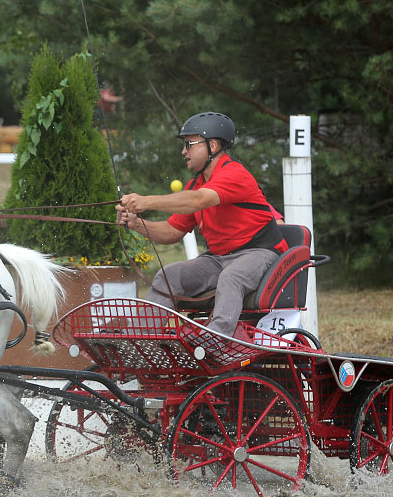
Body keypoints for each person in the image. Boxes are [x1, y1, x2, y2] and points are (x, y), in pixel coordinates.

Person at [116, 111, 286, 338]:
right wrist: (137, 224)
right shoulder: (196, 184)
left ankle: (214, 343)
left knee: (231, 277)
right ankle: (140, 342)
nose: (183, 151)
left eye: (189, 144)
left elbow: (199, 200)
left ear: (213, 145)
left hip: (260, 253)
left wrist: (145, 202)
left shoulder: (234, 174)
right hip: (219, 258)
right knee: (170, 274)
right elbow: (172, 231)